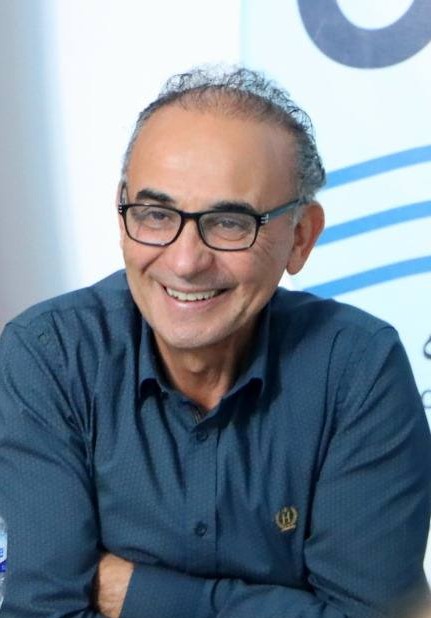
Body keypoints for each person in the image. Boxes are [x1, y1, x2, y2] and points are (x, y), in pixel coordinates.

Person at [0, 66, 430, 618]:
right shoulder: (50, 356)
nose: (185, 262)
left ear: (301, 238)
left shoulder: (357, 370)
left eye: (229, 223)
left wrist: (134, 593)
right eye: (156, 215)